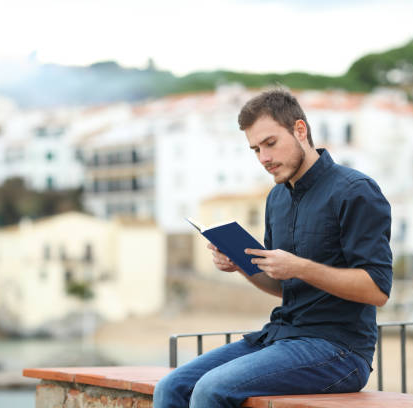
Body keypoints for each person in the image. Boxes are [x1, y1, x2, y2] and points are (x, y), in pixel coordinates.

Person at [153, 89, 393, 408]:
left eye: (270, 143)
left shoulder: (355, 192)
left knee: (211, 389)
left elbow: (378, 290)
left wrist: (299, 267)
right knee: (171, 386)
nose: (264, 159)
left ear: (300, 130)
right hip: (279, 337)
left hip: (340, 350)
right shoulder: (277, 198)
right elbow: (284, 287)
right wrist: (241, 263)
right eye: (255, 150)